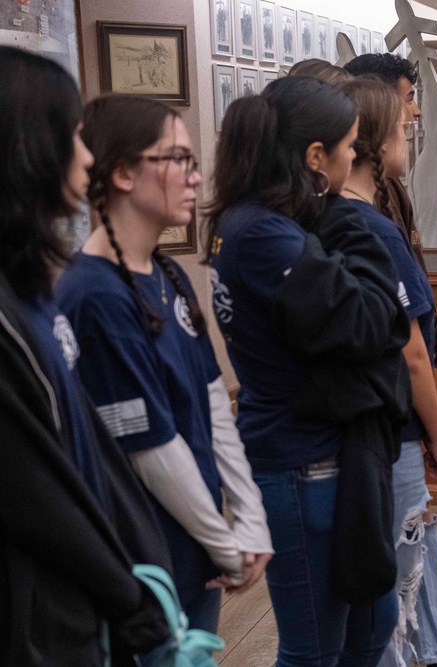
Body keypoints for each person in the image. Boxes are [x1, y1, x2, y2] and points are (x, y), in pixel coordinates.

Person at [56, 95, 273, 641]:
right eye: (178, 159)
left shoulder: (167, 273)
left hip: (195, 551)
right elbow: (150, 449)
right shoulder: (92, 295)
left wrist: (251, 519)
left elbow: (212, 402)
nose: (195, 178)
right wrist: (225, 545)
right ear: (125, 172)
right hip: (143, 557)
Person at [206, 75, 401, 666]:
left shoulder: (268, 223)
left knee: (371, 630)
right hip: (300, 463)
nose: (354, 158)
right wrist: (350, 218)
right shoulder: (260, 232)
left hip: (332, 455)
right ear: (316, 158)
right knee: (314, 648)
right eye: (348, 147)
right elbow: (373, 322)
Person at [0, 46, 172, 665]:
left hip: (83, 611)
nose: (88, 156)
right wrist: (127, 598)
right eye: (75, 135)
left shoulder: (32, 290)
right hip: (41, 623)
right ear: (27, 146)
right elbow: (35, 496)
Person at [338, 77, 437, 667]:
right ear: (375, 142)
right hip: (391, 424)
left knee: (414, 542)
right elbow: (411, 351)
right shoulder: (366, 225)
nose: (413, 129)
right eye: (405, 126)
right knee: (394, 579)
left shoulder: (366, 211)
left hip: (381, 424)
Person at [345, 53, 437, 369]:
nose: (416, 112)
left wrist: (436, 333)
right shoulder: (357, 208)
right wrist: (434, 339)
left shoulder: (391, 187)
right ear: (378, 108)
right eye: (408, 99)